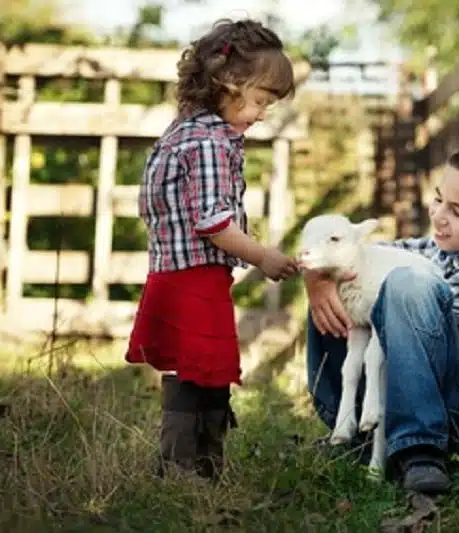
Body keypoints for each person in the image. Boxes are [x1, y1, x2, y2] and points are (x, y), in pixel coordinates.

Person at [303, 135, 459, 493]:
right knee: (337, 281)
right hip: (434, 391)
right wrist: (318, 276)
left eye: (457, 212)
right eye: (439, 199)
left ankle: (420, 450)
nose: (439, 216)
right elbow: (366, 255)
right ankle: (346, 424)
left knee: (405, 289)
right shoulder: (447, 246)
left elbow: (413, 304)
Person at [125, 18, 300, 481]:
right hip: (193, 276)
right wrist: (264, 256)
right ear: (228, 83)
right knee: (196, 369)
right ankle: (184, 464)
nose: (263, 112)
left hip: (177, 271)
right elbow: (213, 222)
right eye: (261, 100)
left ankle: (203, 462)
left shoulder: (186, 129)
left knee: (201, 367)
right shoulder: (207, 142)